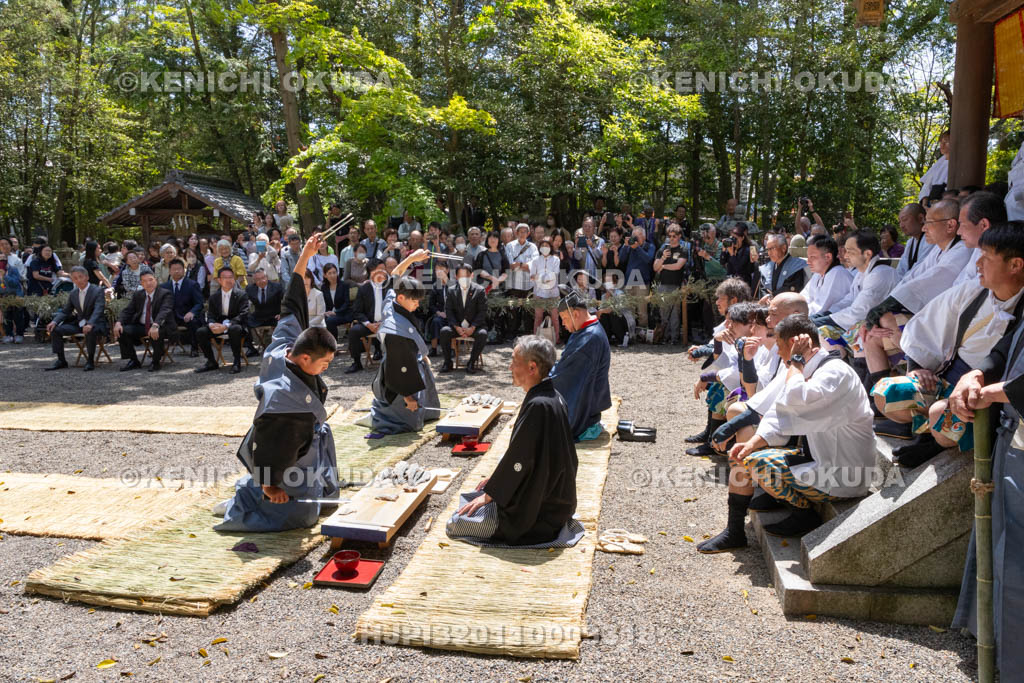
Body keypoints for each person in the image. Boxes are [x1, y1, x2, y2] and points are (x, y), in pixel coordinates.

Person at [697, 315, 876, 552]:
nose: (780, 355)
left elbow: (795, 401)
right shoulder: (804, 368)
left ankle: (801, 513)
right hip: (822, 459)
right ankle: (735, 529)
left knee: (758, 463)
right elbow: (779, 414)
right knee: (750, 455)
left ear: (795, 344)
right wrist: (750, 443)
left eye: (781, 347)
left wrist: (797, 362)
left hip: (844, 472)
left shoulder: (834, 373)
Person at [214, 234, 340, 532]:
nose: (325, 369)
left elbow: (292, 300)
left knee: (324, 499)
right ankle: (246, 499)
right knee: (302, 516)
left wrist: (306, 256)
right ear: (306, 358)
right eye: (324, 364)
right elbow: (271, 446)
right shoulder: (284, 400)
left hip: (298, 443)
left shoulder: (283, 343)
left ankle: (249, 488)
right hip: (283, 450)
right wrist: (270, 486)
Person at [873, 222, 1024, 465]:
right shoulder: (974, 291)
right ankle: (927, 428)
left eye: (986, 257)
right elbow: (926, 326)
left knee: (939, 414)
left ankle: (935, 441)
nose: (977, 264)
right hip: (947, 376)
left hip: (983, 396)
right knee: (885, 393)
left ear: (1015, 264)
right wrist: (918, 370)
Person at [946, 258, 1024, 674]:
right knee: (1003, 549)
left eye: (987, 258)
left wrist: (997, 392)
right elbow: (1004, 349)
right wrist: (976, 374)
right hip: (1012, 443)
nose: (977, 265)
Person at [446, 335, 583, 547]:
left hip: (535, 513)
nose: (510, 367)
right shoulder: (554, 396)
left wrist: (491, 494)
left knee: (455, 523)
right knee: (473, 498)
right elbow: (522, 455)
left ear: (532, 368)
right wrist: (494, 481)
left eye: (514, 362)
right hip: (555, 501)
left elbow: (520, 460)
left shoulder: (540, 405)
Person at [367, 250, 441, 436]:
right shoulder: (394, 330)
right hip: (400, 373)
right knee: (408, 414)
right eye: (414, 301)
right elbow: (397, 368)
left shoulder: (392, 302)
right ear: (402, 298)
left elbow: (395, 275)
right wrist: (408, 397)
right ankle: (396, 415)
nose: (417, 305)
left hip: (411, 360)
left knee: (425, 398)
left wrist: (412, 259)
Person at [549, 288, 612, 441]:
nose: (563, 324)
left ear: (575, 314)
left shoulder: (589, 338)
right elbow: (567, 365)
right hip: (590, 400)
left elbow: (565, 376)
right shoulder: (588, 330)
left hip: (586, 410)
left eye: (564, 318)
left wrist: (543, 378)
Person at [46, 267, 108, 371]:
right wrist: (54, 321)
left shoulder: (97, 291)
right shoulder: (73, 293)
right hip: (80, 323)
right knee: (56, 330)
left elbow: (99, 310)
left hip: (96, 323)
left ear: (87, 277)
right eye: (75, 278)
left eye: (80, 277)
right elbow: (66, 311)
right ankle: (61, 360)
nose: (78, 280)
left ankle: (90, 361)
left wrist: (90, 324)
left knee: (90, 330)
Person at [113, 270, 173, 372]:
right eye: (144, 281)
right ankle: (133, 360)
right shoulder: (138, 295)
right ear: (141, 283)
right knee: (122, 330)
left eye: (150, 280)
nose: (148, 283)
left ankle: (156, 361)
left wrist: (156, 324)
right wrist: (118, 323)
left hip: (160, 325)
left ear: (156, 280)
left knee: (156, 332)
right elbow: (128, 311)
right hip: (142, 325)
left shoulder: (165, 293)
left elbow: (165, 310)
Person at [195, 267, 250, 374]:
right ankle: (211, 361)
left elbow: (243, 314)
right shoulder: (214, 297)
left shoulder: (241, 295)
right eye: (225, 277)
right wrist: (211, 325)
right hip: (219, 325)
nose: (228, 280)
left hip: (235, 325)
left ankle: (237, 362)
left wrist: (226, 326)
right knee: (201, 332)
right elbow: (210, 314)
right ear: (219, 280)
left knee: (235, 329)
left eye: (231, 277)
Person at [949, 191, 1008, 290]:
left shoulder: (1003, 258)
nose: (958, 232)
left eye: (963, 225)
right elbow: (958, 286)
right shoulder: (979, 248)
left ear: (983, 225)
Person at [439, 263, 489, 373]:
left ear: (471, 276)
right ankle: (447, 362)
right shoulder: (451, 290)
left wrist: (473, 327)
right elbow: (449, 311)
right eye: (460, 276)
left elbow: (482, 311)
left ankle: (471, 362)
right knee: (444, 331)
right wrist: (456, 327)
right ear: (456, 277)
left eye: (466, 275)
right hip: (457, 327)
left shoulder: (479, 290)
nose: (463, 278)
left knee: (483, 334)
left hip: (474, 327)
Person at [345, 259, 389, 373]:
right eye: (381, 269)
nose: (384, 272)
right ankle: (357, 362)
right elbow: (357, 311)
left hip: (388, 323)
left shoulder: (390, 286)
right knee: (354, 331)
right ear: (372, 271)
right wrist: (369, 324)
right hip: (370, 324)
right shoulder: (364, 289)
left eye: (385, 269)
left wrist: (383, 322)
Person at [653, 224, 690, 345]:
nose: (672, 238)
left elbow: (678, 266)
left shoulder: (683, 250)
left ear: (679, 236)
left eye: (674, 236)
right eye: (669, 236)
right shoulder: (662, 250)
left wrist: (663, 266)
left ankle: (674, 338)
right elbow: (655, 267)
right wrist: (663, 258)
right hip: (662, 285)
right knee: (664, 312)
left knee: (674, 313)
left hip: (676, 285)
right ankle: (665, 337)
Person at [161, 258, 205, 356]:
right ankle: (159, 350)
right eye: (174, 269)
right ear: (170, 271)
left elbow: (199, 303)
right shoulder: (164, 286)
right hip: (172, 317)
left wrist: (192, 312)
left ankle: (194, 348)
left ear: (184, 270)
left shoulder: (192, 284)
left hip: (187, 315)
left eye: (179, 269)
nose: (176, 271)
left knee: (193, 322)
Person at [800, 235, 853, 316]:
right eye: (808, 257)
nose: (808, 261)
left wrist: (795, 313)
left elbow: (821, 309)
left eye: (812, 257)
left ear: (828, 257)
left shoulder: (838, 274)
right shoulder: (818, 273)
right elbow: (803, 298)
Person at [619, 226, 655, 328]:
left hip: (642, 282)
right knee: (629, 310)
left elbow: (648, 259)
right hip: (629, 282)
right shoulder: (629, 247)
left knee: (642, 311)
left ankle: (643, 332)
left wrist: (637, 248)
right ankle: (631, 332)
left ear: (644, 236)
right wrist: (625, 246)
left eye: (637, 235)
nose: (634, 237)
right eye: (633, 235)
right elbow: (621, 260)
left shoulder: (649, 246)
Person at [246, 267, 284, 353]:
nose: (261, 281)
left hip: (274, 315)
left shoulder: (277, 287)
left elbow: (285, 301)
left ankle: (279, 347)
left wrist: (282, 313)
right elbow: (244, 303)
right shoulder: (250, 289)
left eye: (263, 278)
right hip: (259, 316)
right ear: (254, 281)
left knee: (283, 321)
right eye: (258, 279)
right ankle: (251, 348)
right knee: (244, 321)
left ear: (267, 277)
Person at [530, 237, 561, 341]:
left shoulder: (556, 259)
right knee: (538, 317)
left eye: (547, 246)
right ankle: (536, 338)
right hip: (539, 292)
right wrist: (545, 278)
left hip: (553, 293)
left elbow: (555, 275)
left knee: (555, 317)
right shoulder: (535, 260)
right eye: (542, 246)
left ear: (551, 247)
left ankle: (556, 338)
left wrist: (541, 278)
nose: (544, 248)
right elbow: (532, 276)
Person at [759, 232, 808, 298]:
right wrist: (766, 297)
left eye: (772, 248)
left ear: (783, 248)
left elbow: (791, 289)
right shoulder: (768, 266)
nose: (769, 253)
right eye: (768, 249)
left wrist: (771, 296)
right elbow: (763, 287)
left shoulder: (796, 265)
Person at [895, 203, 936, 278]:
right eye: (899, 222)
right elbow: (901, 269)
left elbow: (920, 269)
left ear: (921, 218)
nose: (901, 225)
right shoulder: (910, 242)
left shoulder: (931, 238)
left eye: (904, 220)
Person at [321, 263, 352, 341]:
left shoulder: (344, 285)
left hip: (344, 313)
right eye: (329, 273)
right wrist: (326, 312)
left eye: (334, 272)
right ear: (325, 275)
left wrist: (336, 312)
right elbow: (323, 302)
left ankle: (333, 345)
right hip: (330, 313)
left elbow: (347, 303)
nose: (332, 275)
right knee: (319, 319)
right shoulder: (324, 287)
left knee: (330, 321)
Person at [918, 130, 949, 201]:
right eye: (941, 142)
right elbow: (927, 185)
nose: (942, 145)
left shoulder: (956, 163)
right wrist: (924, 200)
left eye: (946, 142)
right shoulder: (939, 163)